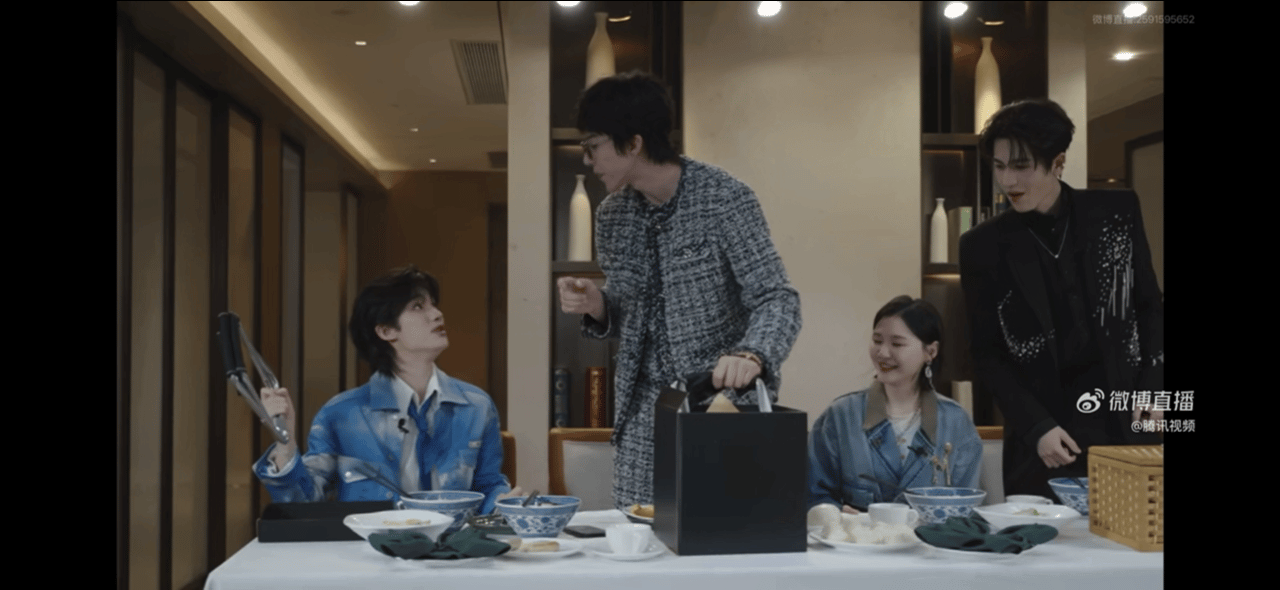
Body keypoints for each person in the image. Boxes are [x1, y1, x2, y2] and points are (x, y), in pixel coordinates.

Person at [556, 71, 802, 510]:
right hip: (642, 415)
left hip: (721, 406)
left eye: (593, 146)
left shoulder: (723, 199)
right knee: (640, 536)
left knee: (724, 533)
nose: (588, 160)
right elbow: (629, 314)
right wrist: (598, 305)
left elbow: (777, 298)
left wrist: (752, 355)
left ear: (633, 143)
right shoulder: (611, 216)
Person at [959, 99, 1163, 499]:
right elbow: (986, 352)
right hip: (1043, 438)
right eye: (999, 166)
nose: (1007, 181)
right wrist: (1036, 427)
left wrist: (1153, 389)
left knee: (1131, 533)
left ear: (1058, 163)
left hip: (1122, 423)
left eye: (1021, 166)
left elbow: (1149, 307)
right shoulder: (981, 246)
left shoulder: (1116, 211)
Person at [252, 265, 515, 513]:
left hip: (455, 543)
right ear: (387, 331)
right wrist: (285, 446)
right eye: (418, 306)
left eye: (433, 304)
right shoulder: (341, 414)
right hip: (370, 544)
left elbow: (488, 486)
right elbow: (303, 503)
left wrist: (503, 503)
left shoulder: (476, 405)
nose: (437, 314)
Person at [808, 296, 981, 512]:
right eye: (877, 341)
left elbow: (967, 508)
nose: (882, 353)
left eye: (896, 344)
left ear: (930, 352)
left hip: (931, 535)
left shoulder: (956, 421)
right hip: (858, 535)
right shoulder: (841, 414)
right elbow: (812, 496)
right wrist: (836, 513)